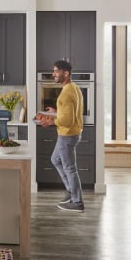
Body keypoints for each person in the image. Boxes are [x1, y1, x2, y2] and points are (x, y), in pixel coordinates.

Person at [39, 60, 85, 212]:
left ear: (66, 73)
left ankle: (77, 202)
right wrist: (55, 112)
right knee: (55, 159)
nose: (53, 74)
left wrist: (50, 121)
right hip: (72, 133)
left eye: (56, 71)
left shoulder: (66, 93)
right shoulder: (74, 88)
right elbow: (69, 114)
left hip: (67, 135)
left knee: (70, 168)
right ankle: (71, 190)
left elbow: (67, 120)